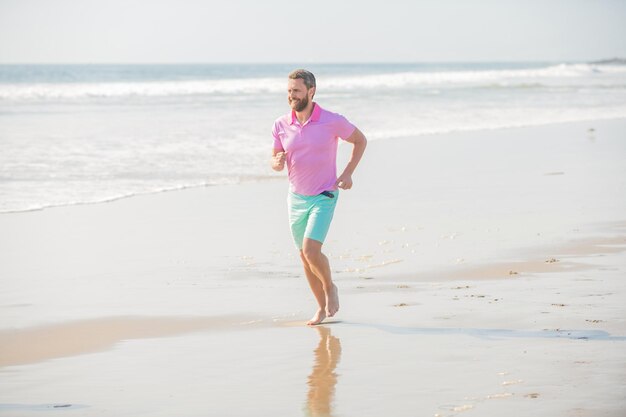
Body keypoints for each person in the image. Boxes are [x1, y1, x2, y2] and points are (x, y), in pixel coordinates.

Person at [271, 69, 367, 326]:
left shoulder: (331, 121)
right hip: (296, 197)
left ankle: (330, 289)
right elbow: (275, 159)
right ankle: (321, 308)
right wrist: (277, 162)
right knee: (304, 256)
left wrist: (348, 173)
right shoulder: (280, 124)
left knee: (311, 250)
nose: (291, 96)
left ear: (311, 92)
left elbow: (360, 140)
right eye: (289, 91)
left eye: (297, 91)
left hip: (324, 194)